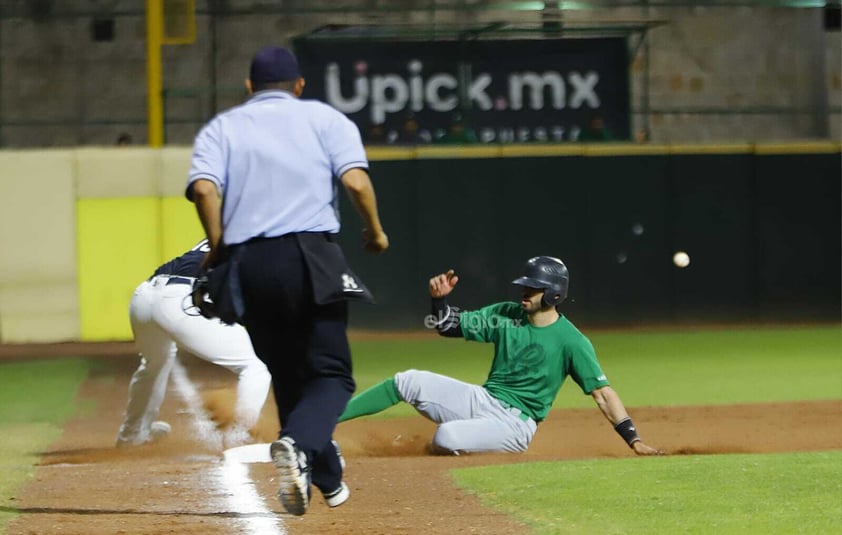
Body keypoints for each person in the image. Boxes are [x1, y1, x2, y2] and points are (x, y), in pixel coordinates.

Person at [186, 45, 389, 516]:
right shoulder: (324, 119)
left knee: (289, 372)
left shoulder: (223, 127)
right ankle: (297, 446)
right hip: (309, 255)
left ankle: (328, 479)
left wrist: (217, 248)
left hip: (248, 265)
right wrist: (375, 232)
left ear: (249, 86)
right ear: (299, 85)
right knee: (333, 374)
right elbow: (356, 183)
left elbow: (203, 189)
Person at [337, 256, 662, 457]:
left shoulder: (572, 342)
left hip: (515, 425)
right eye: (525, 285)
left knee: (447, 436)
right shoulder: (506, 315)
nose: (524, 291)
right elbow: (449, 326)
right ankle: (327, 421)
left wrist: (633, 440)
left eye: (533, 288)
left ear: (554, 294)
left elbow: (603, 394)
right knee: (408, 381)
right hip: (483, 400)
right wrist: (439, 302)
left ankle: (455, 445)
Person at [116, 239, 271, 449]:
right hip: (179, 299)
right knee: (256, 363)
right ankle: (241, 436)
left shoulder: (228, 229)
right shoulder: (266, 239)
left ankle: (131, 435)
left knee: (153, 364)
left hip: (144, 297)